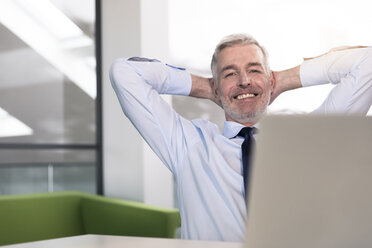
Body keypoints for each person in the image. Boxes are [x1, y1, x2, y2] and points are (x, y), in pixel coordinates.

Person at [110, 34, 372, 242]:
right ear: (216, 86)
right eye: (230, 73)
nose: (244, 81)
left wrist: (284, 79)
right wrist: (205, 87)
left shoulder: (307, 139)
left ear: (269, 79)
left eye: (254, 70)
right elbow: (125, 73)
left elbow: (367, 63)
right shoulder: (189, 144)